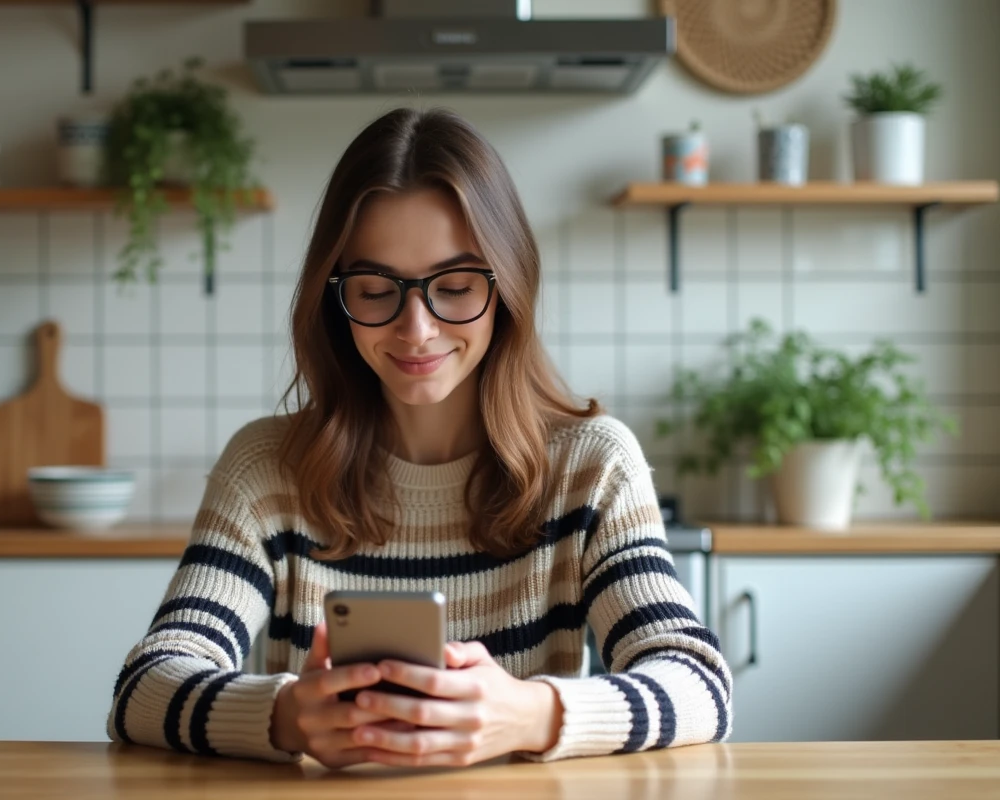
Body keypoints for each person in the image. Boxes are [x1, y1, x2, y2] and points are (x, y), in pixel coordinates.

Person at [107, 106, 732, 767]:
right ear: (334, 294)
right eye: (375, 290)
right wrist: (287, 716)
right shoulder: (267, 468)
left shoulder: (591, 464)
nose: (416, 329)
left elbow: (700, 686)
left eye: (455, 287)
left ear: (508, 286)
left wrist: (528, 715)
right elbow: (144, 688)